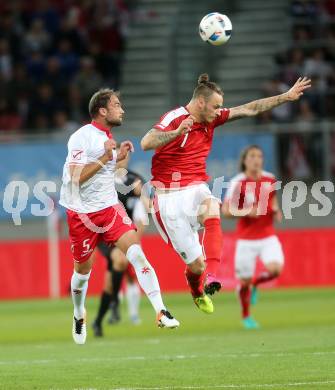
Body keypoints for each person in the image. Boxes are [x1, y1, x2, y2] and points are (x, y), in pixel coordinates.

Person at [140, 73, 310, 314]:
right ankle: (197, 290)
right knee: (195, 266)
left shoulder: (212, 118)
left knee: (212, 207)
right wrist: (177, 132)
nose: (219, 111)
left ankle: (213, 276)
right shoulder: (175, 118)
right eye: (215, 106)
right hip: (168, 198)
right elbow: (146, 142)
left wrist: (286, 96)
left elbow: (249, 109)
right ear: (200, 103)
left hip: (196, 186)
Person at [59, 88, 179, 345]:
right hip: (80, 214)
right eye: (116, 104)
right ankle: (79, 313)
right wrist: (106, 155)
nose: (122, 109)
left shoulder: (108, 138)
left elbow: (109, 172)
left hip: (109, 209)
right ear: (102, 110)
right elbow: (76, 178)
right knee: (82, 272)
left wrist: (119, 157)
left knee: (135, 253)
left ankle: (161, 310)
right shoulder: (81, 137)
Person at [222, 145, 284, 329]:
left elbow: (272, 198)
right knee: (243, 283)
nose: (256, 159)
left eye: (259, 156)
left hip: (267, 235)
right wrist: (247, 211)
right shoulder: (237, 183)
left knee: (275, 270)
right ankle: (246, 316)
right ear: (244, 160)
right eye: (252, 156)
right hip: (246, 239)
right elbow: (226, 211)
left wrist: (276, 210)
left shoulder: (269, 178)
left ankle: (257, 284)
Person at [92, 151, 148, 337]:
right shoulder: (101, 178)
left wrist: (134, 243)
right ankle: (115, 302)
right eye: (117, 155)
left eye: (124, 155)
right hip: (102, 233)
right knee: (119, 263)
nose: (121, 159)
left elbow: (142, 213)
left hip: (123, 234)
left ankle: (99, 320)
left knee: (112, 278)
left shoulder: (136, 179)